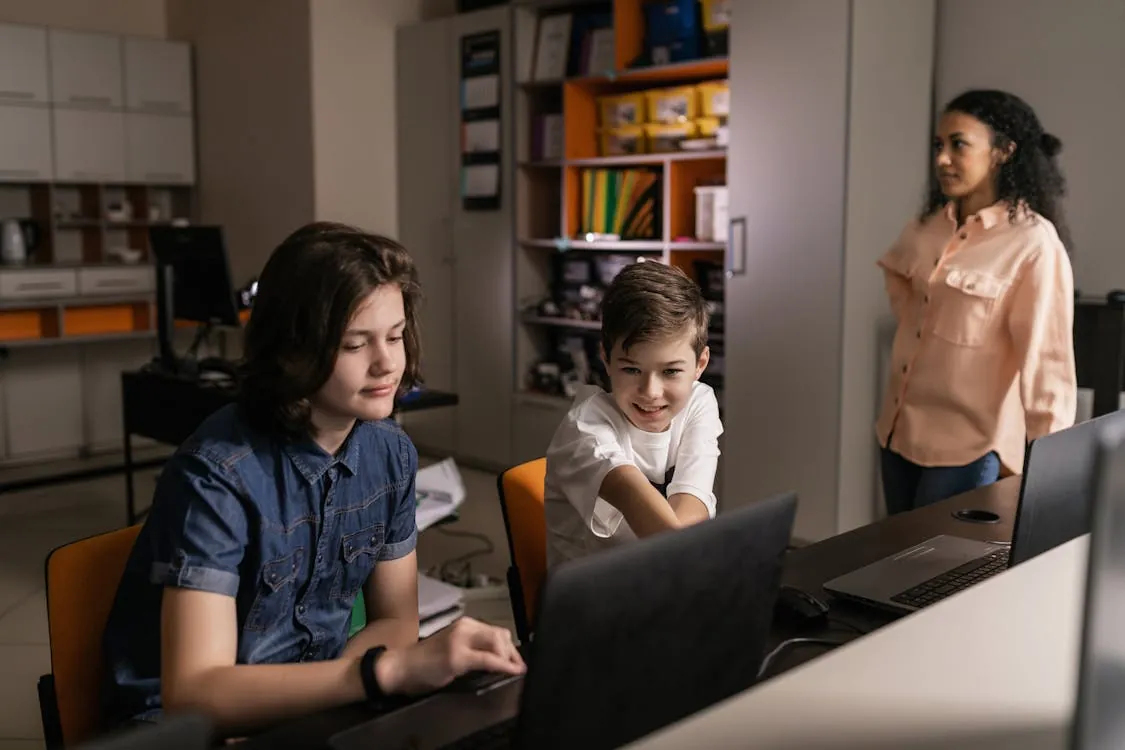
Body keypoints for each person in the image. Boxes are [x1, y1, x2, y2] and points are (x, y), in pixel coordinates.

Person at [101, 223, 524, 738]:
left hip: (313, 704)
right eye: (354, 344)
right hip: (182, 731)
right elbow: (195, 695)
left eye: (395, 336)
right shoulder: (216, 475)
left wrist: (355, 688)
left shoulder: (391, 453)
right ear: (291, 350)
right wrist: (383, 673)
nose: (388, 363)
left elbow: (395, 622)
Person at [875, 89, 1077, 515]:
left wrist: (1052, 479)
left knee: (944, 576)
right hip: (896, 433)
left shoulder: (1033, 243)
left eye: (958, 144)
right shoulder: (929, 225)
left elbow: (1048, 371)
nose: (942, 158)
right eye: (938, 145)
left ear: (1003, 151)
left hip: (967, 449)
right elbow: (902, 286)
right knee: (896, 570)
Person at [544, 260, 723, 567]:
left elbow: (692, 507)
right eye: (631, 369)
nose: (651, 391)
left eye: (670, 371)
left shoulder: (699, 401)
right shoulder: (585, 430)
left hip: (655, 584)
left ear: (700, 365)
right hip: (592, 602)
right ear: (606, 358)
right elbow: (670, 541)